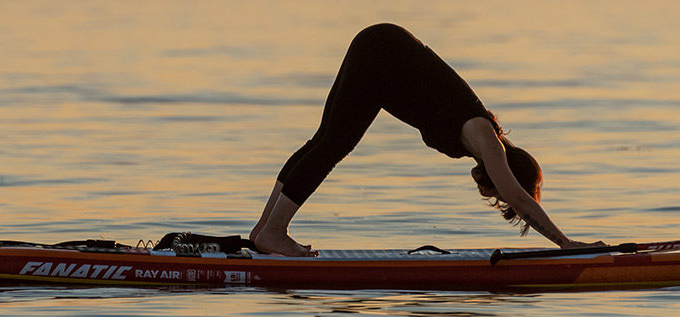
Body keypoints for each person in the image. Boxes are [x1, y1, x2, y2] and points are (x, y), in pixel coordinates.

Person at [250, 23, 603, 256]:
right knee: (332, 145)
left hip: (380, 46)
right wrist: (566, 244)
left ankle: (263, 231)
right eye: (500, 190)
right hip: (383, 54)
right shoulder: (488, 141)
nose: (494, 194)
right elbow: (519, 197)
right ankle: (274, 232)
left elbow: (516, 195)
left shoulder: (479, 140)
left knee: (324, 141)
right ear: (509, 172)